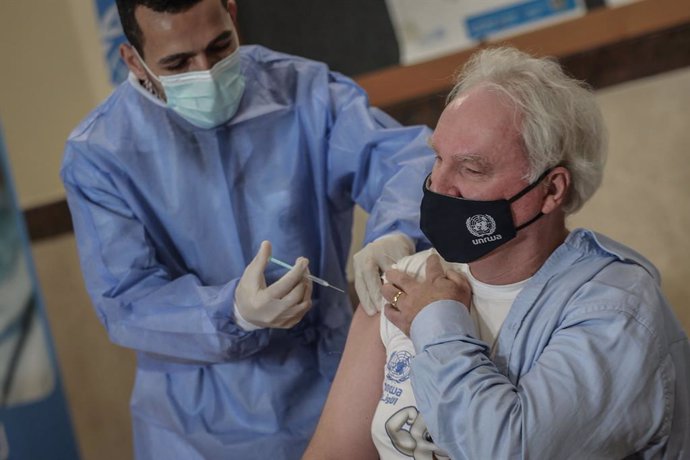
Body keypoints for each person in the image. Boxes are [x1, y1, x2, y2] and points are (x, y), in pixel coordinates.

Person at [60, 0, 433, 458]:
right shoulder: (100, 154)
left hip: (331, 393)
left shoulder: (305, 92)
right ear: (133, 61)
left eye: (220, 47)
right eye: (178, 63)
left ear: (233, 17)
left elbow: (406, 162)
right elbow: (125, 302)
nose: (207, 72)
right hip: (196, 429)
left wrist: (396, 232)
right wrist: (232, 312)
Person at [304, 46, 690, 459]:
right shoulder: (407, 280)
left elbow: (509, 450)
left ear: (551, 190)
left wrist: (436, 322)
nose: (439, 185)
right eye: (437, 158)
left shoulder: (617, 311)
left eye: (472, 169)